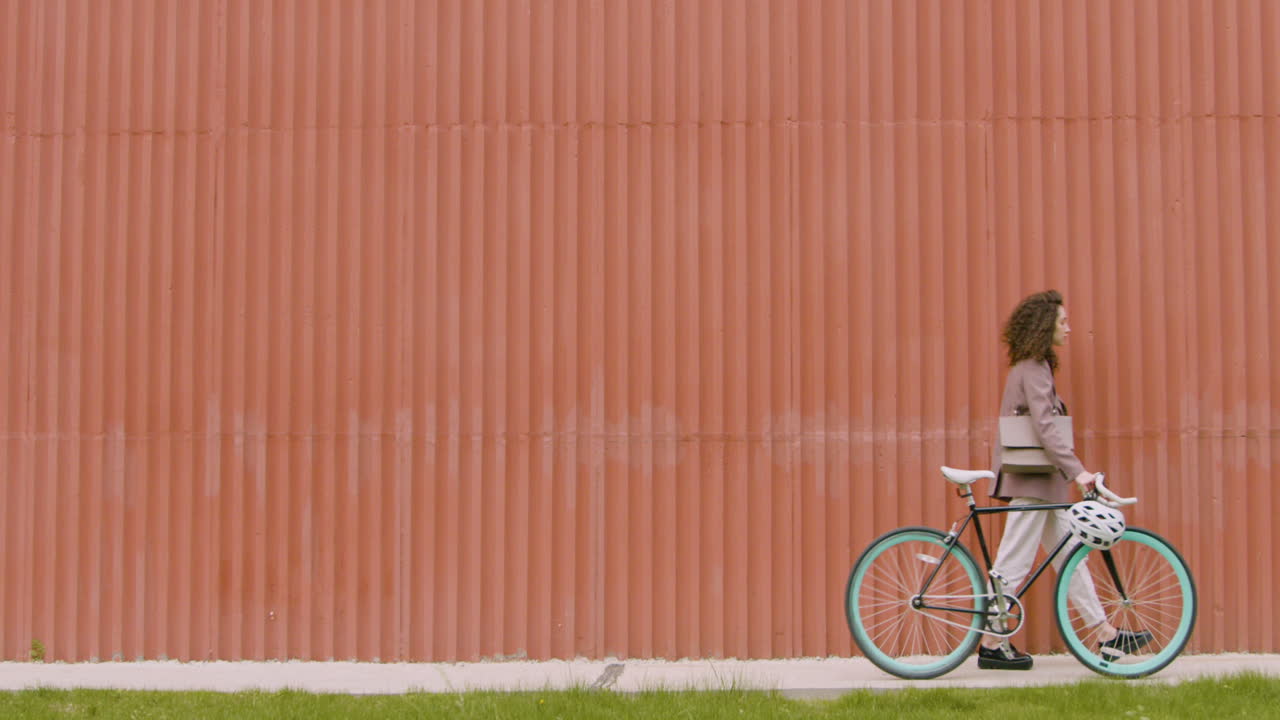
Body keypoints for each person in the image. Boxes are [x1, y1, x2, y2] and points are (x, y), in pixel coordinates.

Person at [979, 290, 1152, 670]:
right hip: (1032, 483)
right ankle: (992, 640)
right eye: (1063, 322)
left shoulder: (1034, 367)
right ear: (1046, 327)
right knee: (1013, 563)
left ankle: (1106, 634)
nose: (1069, 329)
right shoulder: (1032, 368)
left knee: (1072, 557)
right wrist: (1079, 471)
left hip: (1044, 484)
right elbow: (1044, 427)